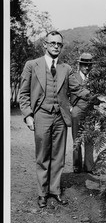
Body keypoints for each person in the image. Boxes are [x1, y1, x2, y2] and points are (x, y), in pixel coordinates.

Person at [19, 31, 92, 208]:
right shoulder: (32, 65)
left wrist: (97, 97)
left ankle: (55, 191)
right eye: (52, 43)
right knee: (42, 155)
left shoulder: (66, 69)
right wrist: (28, 115)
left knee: (58, 157)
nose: (55, 46)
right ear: (45, 44)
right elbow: (23, 93)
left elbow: (78, 90)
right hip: (41, 115)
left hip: (60, 117)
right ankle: (42, 193)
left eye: (59, 44)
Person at [70, 53, 95, 174]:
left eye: (89, 65)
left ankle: (89, 166)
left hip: (90, 110)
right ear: (80, 65)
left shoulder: (94, 79)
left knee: (90, 138)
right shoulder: (73, 77)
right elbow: (65, 93)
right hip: (77, 109)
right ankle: (76, 165)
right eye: (84, 65)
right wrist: (69, 107)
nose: (86, 67)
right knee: (76, 138)